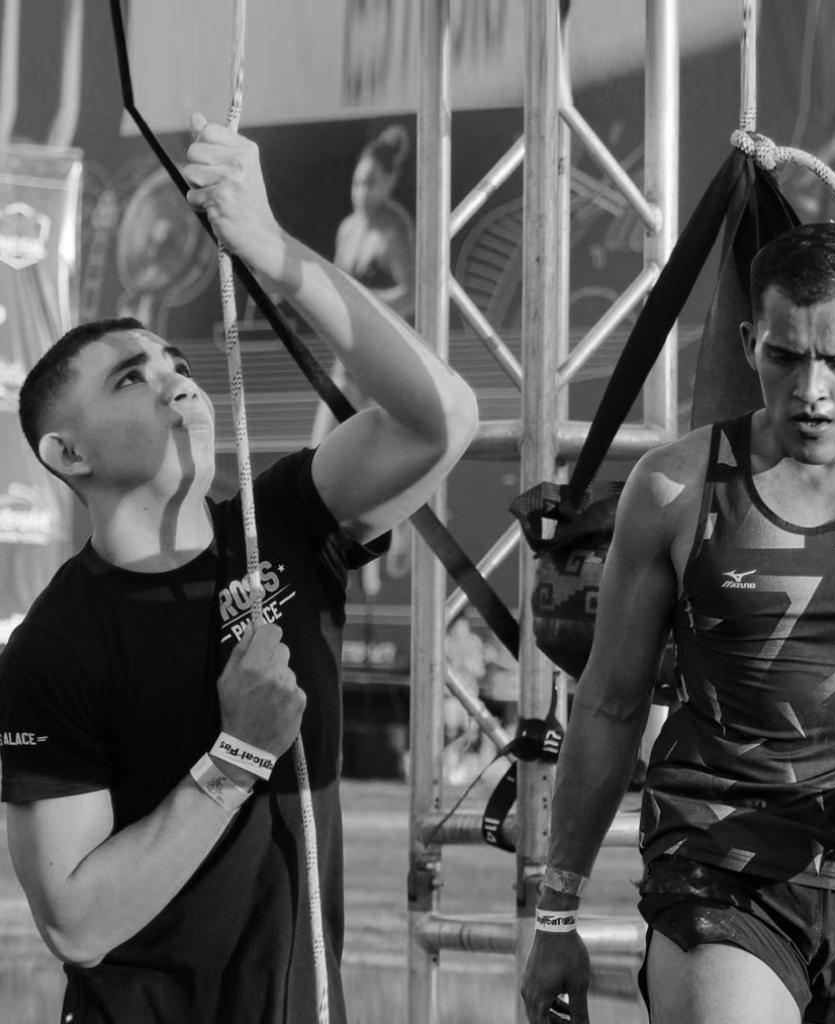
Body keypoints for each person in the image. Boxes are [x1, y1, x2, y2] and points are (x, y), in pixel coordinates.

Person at [0, 112, 477, 1023]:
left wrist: (268, 247)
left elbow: (441, 419)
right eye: (131, 379)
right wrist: (237, 755)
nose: (177, 381)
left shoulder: (284, 521)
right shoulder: (53, 649)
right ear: (67, 454)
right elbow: (76, 924)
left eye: (176, 361)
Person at [521, 222, 835, 1024]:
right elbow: (610, 705)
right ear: (749, 343)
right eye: (785, 357)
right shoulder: (673, 487)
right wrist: (555, 915)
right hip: (717, 869)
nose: (811, 390)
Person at [311, 123, 417, 597]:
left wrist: (364, 305)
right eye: (357, 182)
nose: (361, 193)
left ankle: (387, 546)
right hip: (348, 358)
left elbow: (414, 293)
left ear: (389, 183)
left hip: (385, 359)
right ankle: (327, 554)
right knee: (318, 455)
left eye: (371, 183)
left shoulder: (394, 228)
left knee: (383, 463)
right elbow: (339, 287)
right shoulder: (348, 228)